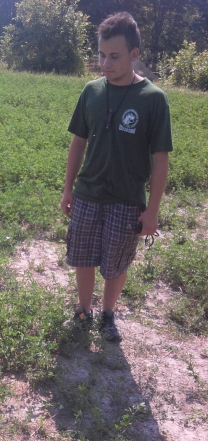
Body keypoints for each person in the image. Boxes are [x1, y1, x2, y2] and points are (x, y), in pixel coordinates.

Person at [61, 11, 173, 342]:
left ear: (134, 55)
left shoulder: (153, 99)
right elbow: (77, 141)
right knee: (82, 254)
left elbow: (160, 159)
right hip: (87, 193)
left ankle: (108, 314)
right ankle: (84, 309)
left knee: (116, 262)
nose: (105, 64)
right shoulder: (91, 91)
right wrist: (68, 189)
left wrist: (152, 210)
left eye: (114, 56)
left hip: (126, 199)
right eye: (100, 55)